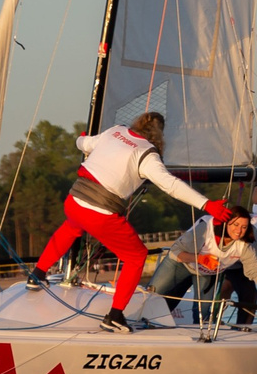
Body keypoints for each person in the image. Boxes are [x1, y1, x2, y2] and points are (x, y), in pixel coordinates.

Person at [28, 111, 233, 332]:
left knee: (70, 228)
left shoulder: (115, 131)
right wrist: (207, 204)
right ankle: (115, 316)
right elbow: (170, 185)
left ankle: (37, 274)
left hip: (74, 200)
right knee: (136, 256)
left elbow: (84, 143)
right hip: (100, 213)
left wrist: (81, 138)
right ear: (159, 134)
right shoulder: (148, 155)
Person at [146, 210, 257, 324]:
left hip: (206, 273)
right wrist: (201, 259)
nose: (239, 230)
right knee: (154, 295)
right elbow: (176, 251)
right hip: (180, 263)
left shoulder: (244, 245)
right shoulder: (206, 229)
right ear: (227, 223)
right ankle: (142, 323)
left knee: (203, 318)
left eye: (244, 227)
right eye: (236, 225)